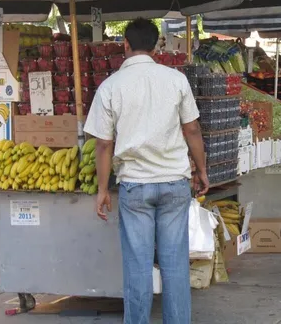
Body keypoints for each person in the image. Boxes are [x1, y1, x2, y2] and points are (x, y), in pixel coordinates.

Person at [84, 18, 209, 324]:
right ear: (156, 46)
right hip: (174, 183)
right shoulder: (175, 79)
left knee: (138, 267)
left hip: (135, 186)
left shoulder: (111, 86)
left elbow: (103, 145)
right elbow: (192, 129)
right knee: (175, 265)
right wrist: (202, 170)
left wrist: (102, 190)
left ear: (125, 44)